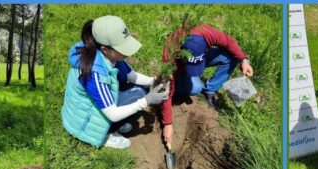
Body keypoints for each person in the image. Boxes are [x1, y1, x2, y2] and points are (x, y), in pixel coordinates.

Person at [61, 15, 169, 149]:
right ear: (105, 49)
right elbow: (113, 114)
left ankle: (115, 125)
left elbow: (131, 76)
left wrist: (154, 81)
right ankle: (105, 135)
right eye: (122, 49)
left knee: (140, 90)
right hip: (83, 123)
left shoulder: (110, 56)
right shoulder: (95, 73)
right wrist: (146, 101)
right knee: (139, 96)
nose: (128, 54)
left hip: (95, 105)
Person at [158, 23, 253, 146]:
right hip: (179, 66)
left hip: (199, 56)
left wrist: (243, 60)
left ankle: (210, 89)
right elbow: (165, 85)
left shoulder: (207, 33)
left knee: (230, 57)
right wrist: (168, 123)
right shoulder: (171, 49)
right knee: (195, 88)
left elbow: (229, 42)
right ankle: (178, 85)